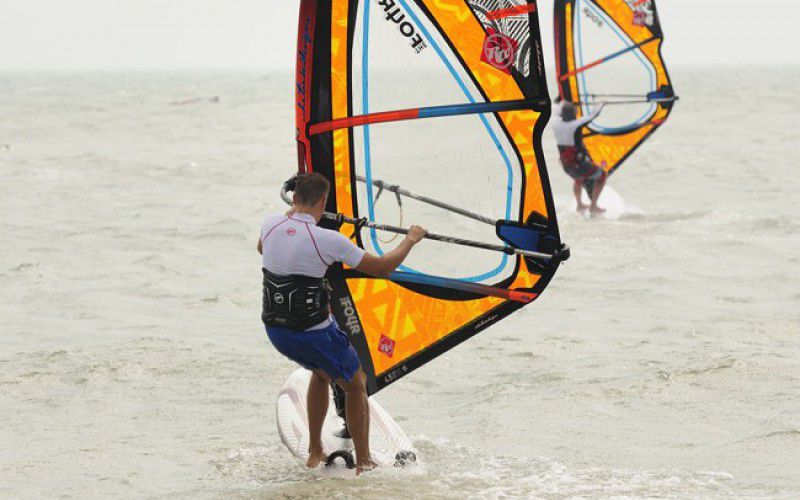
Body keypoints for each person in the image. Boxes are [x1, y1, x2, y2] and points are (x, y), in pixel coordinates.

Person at [258, 172, 427, 474]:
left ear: (294, 199)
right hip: (313, 334)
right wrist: (410, 240)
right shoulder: (328, 240)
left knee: (321, 371)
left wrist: (291, 216)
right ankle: (364, 461)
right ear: (323, 202)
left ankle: (315, 450)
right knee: (355, 384)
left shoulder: (271, 223)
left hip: (278, 332)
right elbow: (382, 268)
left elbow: (263, 248)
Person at [552, 101, 608, 214]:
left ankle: (579, 205)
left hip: (566, 166)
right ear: (573, 114)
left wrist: (564, 102)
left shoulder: (555, 123)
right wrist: (601, 104)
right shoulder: (575, 125)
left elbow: (555, 108)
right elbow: (592, 115)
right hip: (579, 165)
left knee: (578, 178)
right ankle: (593, 206)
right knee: (602, 175)